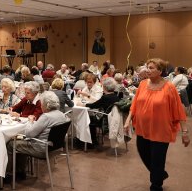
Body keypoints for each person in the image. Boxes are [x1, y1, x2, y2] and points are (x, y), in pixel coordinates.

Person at [124, 58, 189, 191]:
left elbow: (178, 110)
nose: (147, 69)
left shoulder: (169, 87)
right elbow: (134, 104)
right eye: (147, 67)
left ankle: (156, 185)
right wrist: (127, 121)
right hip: (142, 128)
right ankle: (160, 174)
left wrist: (185, 132)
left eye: (152, 67)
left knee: (157, 159)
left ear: (160, 71)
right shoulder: (142, 84)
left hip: (161, 130)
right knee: (143, 153)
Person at [6, 91, 69, 179]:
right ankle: (20, 171)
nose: (41, 105)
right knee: (21, 142)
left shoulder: (46, 117)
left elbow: (29, 134)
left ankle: (8, 174)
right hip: (56, 147)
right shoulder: (61, 115)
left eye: (42, 103)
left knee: (10, 144)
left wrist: (30, 121)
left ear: (46, 105)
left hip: (41, 148)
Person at [81, 77, 121, 146]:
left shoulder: (105, 97)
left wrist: (83, 104)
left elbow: (94, 105)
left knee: (88, 119)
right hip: (113, 119)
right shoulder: (116, 96)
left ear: (104, 87)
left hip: (105, 120)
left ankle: (91, 142)